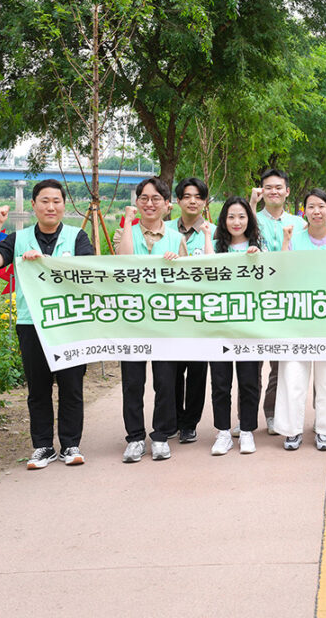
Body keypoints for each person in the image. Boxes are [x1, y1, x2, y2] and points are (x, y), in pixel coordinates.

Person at [0, 179, 94, 469]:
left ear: (64, 205)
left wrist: (44, 261)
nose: (51, 206)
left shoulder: (77, 237)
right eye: (44, 201)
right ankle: (43, 446)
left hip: (70, 323)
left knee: (71, 386)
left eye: (56, 201)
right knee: (38, 388)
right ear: (33, 205)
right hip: (32, 323)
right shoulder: (19, 239)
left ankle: (70, 444)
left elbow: (89, 274)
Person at [274, 189, 326, 451]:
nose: (317, 211)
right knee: (292, 374)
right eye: (311, 207)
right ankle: (291, 430)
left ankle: (325, 430)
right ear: (303, 211)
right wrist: (285, 243)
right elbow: (283, 276)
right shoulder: (294, 240)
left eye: (321, 206)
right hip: (297, 318)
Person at [114, 178, 184, 463]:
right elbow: (126, 261)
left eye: (156, 199)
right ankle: (134, 437)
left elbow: (184, 281)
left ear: (167, 205)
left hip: (164, 320)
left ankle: (161, 435)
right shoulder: (124, 233)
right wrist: (129, 222)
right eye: (144, 198)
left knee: (165, 380)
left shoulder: (174, 238)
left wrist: (175, 263)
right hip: (133, 318)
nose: (150, 203)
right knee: (132, 381)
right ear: (137, 202)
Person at [250, 168, 307, 435]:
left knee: (279, 362)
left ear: (287, 191)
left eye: (278, 187)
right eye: (268, 187)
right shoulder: (250, 219)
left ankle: (272, 413)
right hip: (254, 299)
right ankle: (246, 417)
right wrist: (251, 205)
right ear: (262, 191)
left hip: (286, 300)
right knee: (250, 363)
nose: (274, 192)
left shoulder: (300, 223)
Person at [206, 198, 264, 456]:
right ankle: (222, 432)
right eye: (231, 217)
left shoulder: (259, 248)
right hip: (219, 326)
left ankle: (248, 430)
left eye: (242, 216)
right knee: (220, 381)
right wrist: (208, 236)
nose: (236, 222)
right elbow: (205, 271)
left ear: (249, 220)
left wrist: (258, 259)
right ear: (224, 220)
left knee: (249, 380)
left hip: (250, 327)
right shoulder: (216, 248)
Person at [171, 177, 214, 444]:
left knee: (198, 372)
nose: (193, 201)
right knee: (171, 371)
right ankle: (174, 418)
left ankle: (190, 423)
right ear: (178, 201)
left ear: (205, 201)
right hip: (171, 314)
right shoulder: (163, 230)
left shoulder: (215, 231)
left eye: (198, 196)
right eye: (187, 196)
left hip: (202, 315)